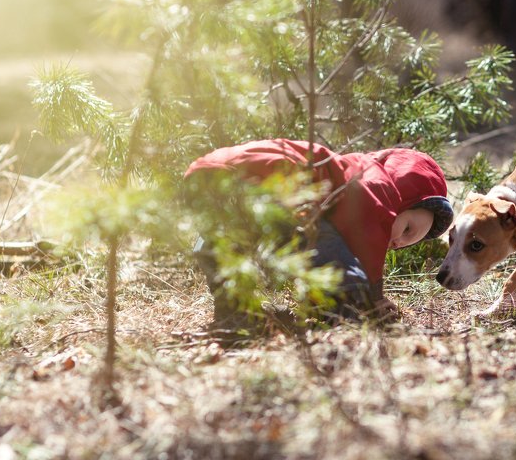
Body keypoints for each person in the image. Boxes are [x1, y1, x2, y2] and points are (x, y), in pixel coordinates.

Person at [184, 139, 454, 337]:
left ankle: (234, 313)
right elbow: (368, 235)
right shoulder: (378, 183)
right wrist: (373, 296)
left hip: (207, 172)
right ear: (403, 197)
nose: (395, 242)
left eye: (406, 243)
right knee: (328, 246)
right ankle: (343, 316)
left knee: (217, 244)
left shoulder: (355, 174)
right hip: (267, 181)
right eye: (407, 229)